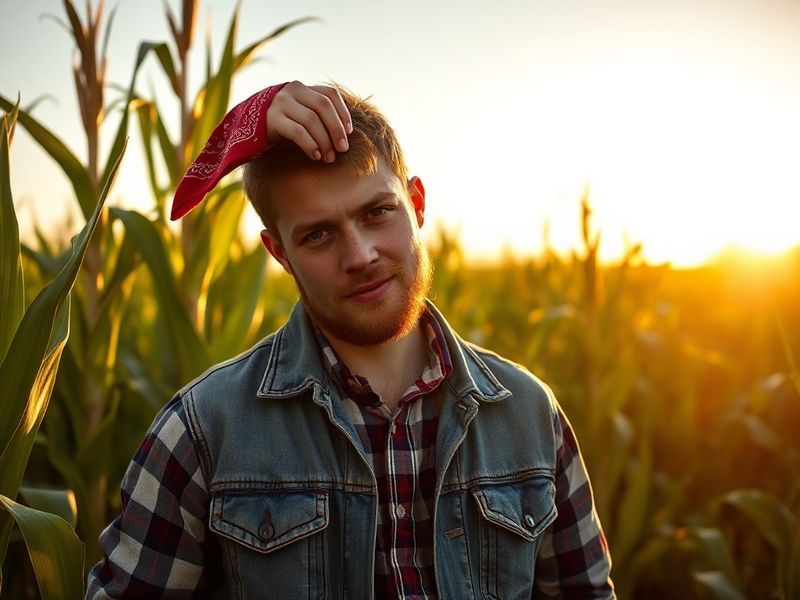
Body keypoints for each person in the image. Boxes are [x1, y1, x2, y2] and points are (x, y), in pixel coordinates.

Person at [87, 81, 615, 599]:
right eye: (318, 234)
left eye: (376, 212)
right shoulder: (203, 430)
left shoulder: (528, 414)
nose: (360, 254)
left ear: (416, 204)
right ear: (280, 255)